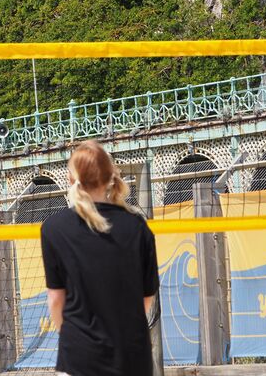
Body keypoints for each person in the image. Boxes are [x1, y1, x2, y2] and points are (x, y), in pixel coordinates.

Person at [40, 140, 159, 376]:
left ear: (71, 180)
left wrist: (77, 336)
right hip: (132, 356)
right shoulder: (137, 226)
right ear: (110, 178)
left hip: (79, 355)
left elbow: (56, 299)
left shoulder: (53, 228)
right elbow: (146, 298)